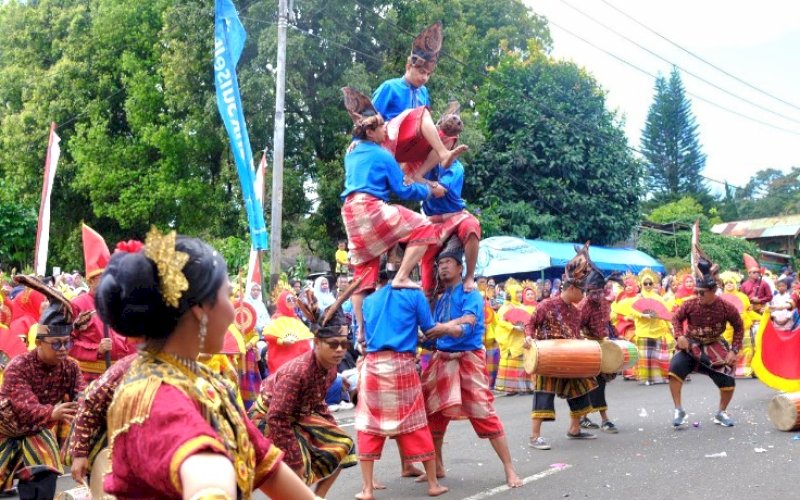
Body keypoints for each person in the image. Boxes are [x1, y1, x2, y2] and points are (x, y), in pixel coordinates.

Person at [96, 227, 313, 499]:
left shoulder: (206, 382)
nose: (234, 312)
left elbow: (265, 463)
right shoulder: (153, 396)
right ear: (200, 308)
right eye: (228, 296)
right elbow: (205, 476)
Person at [340, 87, 445, 338]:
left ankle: (361, 332)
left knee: (363, 272)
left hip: (350, 213)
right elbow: (403, 189)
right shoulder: (382, 155)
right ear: (370, 132)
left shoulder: (351, 151)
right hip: (370, 207)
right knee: (423, 227)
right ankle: (402, 276)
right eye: (381, 127)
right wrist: (429, 190)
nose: (386, 130)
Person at [420, 243, 522, 488]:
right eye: (440, 264)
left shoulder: (471, 295)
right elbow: (434, 331)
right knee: (434, 416)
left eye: (448, 263)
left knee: (484, 414)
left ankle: (510, 469)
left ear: (460, 268)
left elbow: (465, 328)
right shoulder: (441, 298)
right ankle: (438, 466)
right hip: (442, 360)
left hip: (468, 360)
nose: (443, 267)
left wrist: (443, 328)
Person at [251, 287, 359, 498]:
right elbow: (277, 417)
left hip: (298, 415)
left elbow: (317, 402)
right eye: (333, 344)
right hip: (268, 419)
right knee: (298, 468)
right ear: (317, 343)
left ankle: (318, 497)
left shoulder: (330, 369)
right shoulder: (297, 373)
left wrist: (332, 427)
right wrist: (295, 460)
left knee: (343, 445)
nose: (340, 350)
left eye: (344, 344)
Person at [355, 281, 457, 499]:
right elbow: (429, 329)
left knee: (369, 425)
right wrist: (453, 327)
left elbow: (363, 337)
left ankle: (367, 489)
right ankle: (433, 484)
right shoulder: (414, 294)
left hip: (373, 366)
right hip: (402, 365)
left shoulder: (369, 300)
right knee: (416, 422)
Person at [0, 275, 85, 498]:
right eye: (56, 344)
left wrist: (85, 405)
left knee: (46, 465)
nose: (63, 349)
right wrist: (52, 413)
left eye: (67, 342)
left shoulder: (70, 367)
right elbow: (24, 407)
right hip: (5, 430)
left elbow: (82, 394)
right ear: (38, 342)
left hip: (36, 430)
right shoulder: (19, 366)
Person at [669, 225, 744, 428]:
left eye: (702, 293)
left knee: (728, 378)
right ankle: (679, 410)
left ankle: (721, 412)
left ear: (713, 291)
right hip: (691, 344)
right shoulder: (690, 304)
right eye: (697, 292)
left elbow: (739, 327)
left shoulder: (727, 307)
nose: (698, 296)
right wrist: (679, 336)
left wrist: (734, 350)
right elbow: (675, 319)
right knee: (674, 368)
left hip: (715, 345)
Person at [524, 243, 598, 450]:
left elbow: (576, 333)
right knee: (544, 392)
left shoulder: (576, 311)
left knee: (580, 388)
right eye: (582, 291)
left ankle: (575, 429)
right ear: (572, 288)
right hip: (548, 356)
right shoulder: (546, 305)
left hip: (569, 356)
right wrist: (528, 338)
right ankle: (534, 436)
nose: (584, 295)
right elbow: (530, 324)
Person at [371, 22, 467, 177]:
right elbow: (367, 117)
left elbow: (425, 124)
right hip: (390, 141)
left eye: (428, 74)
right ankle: (443, 154)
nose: (425, 78)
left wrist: (443, 128)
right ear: (409, 66)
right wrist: (358, 141)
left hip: (411, 145)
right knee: (421, 113)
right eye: (422, 72)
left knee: (448, 134)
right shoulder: (390, 87)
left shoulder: (423, 92)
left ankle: (417, 175)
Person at [418, 105, 481, 294]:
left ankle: (469, 276)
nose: (443, 142)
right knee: (423, 254)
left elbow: (439, 191)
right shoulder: (422, 161)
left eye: (447, 140)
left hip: (455, 216)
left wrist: (417, 179)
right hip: (431, 220)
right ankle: (426, 292)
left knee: (472, 226)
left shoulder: (456, 167)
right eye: (440, 138)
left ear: (453, 142)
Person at [70, 225, 134, 383]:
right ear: (91, 280)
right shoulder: (77, 305)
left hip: (121, 376)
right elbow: (66, 343)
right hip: (90, 379)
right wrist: (96, 349)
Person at [578, 268, 621, 433]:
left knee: (594, 384)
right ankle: (605, 420)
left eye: (599, 292)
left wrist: (616, 338)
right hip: (590, 349)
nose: (596, 295)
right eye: (592, 292)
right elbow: (576, 328)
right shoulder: (584, 306)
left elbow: (607, 323)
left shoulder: (604, 302)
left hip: (604, 345)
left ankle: (582, 417)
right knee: (597, 383)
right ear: (587, 291)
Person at [631, 268, 674, 385]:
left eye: (650, 283)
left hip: (658, 330)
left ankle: (659, 377)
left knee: (658, 356)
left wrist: (670, 326)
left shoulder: (658, 298)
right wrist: (643, 315)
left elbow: (664, 313)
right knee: (645, 357)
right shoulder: (638, 297)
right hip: (643, 331)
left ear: (653, 284)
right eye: (645, 283)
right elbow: (633, 311)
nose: (648, 285)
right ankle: (646, 378)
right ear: (641, 284)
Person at [493, 279, 534, 395]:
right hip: (511, 340)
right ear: (511, 293)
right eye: (517, 292)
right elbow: (500, 322)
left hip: (521, 338)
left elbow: (527, 320)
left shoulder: (522, 306)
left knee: (523, 363)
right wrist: (513, 327)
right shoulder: (506, 307)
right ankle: (511, 388)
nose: (519, 295)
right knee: (512, 363)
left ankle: (526, 387)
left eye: (520, 292)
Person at [263, 289, 314, 375]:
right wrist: (282, 341)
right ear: (282, 302)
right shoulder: (276, 318)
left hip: (298, 355)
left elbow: (303, 335)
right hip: (281, 355)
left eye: (293, 299)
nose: (292, 302)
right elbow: (268, 335)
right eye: (288, 300)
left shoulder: (296, 318)